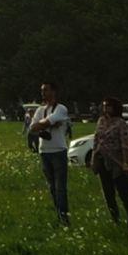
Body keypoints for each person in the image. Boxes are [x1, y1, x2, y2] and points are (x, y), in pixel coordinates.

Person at [27, 85, 73, 223]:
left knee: (60, 188)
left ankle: (64, 218)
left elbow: (42, 123)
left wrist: (44, 124)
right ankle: (59, 215)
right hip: (44, 151)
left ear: (53, 91)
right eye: (41, 90)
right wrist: (50, 124)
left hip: (58, 150)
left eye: (46, 90)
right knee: (52, 187)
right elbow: (32, 127)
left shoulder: (61, 108)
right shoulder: (40, 110)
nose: (43, 93)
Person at [89, 99, 128, 223]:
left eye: (108, 106)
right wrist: (94, 158)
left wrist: (126, 161)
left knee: (123, 192)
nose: (105, 108)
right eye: (104, 106)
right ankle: (115, 218)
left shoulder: (120, 123)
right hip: (102, 159)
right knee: (108, 192)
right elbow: (96, 139)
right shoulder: (101, 121)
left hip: (116, 161)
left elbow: (124, 143)